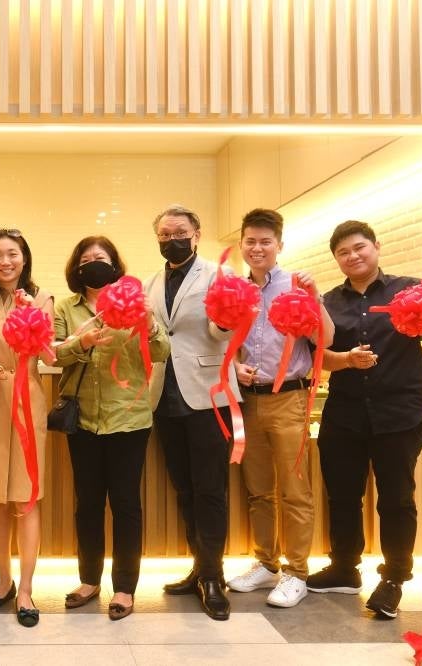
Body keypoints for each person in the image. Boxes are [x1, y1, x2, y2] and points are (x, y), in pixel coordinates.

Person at [306, 220, 422, 619]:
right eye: (343, 252)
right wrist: (347, 361)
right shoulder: (330, 301)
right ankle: (344, 567)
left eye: (359, 248)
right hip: (345, 414)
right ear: (336, 259)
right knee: (343, 495)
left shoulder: (409, 290)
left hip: (399, 413)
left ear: (376, 247)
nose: (352, 256)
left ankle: (394, 578)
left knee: (397, 499)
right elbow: (319, 355)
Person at [54, 236, 170, 622]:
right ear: (77, 267)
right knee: (87, 504)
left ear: (114, 264)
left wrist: (149, 322)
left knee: (125, 505)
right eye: (85, 259)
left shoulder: (136, 303)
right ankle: (88, 581)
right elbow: (52, 353)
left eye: (100, 258)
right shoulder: (66, 308)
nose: (93, 264)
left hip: (129, 420)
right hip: (83, 420)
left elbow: (160, 353)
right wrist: (81, 342)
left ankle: (125, 587)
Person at [227, 208, 334, 608]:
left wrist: (315, 298)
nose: (257, 248)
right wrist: (235, 366)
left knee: (294, 490)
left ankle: (297, 572)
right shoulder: (235, 290)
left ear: (279, 246)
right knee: (258, 491)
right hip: (248, 402)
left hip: (290, 397)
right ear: (241, 245)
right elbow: (225, 344)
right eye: (250, 241)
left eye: (265, 242)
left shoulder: (296, 285)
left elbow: (325, 337)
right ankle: (266, 564)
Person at [143, 204, 239, 621]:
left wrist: (223, 317)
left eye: (179, 232)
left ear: (197, 234)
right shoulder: (150, 283)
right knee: (184, 488)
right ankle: (199, 567)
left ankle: (215, 577)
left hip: (208, 395)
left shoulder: (221, 278)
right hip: (164, 397)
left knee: (210, 489)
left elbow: (227, 330)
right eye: (164, 234)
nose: (171, 239)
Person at [0, 228, 53, 628]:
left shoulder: (41, 299)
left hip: (27, 400)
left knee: (26, 498)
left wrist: (30, 315)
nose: (6, 261)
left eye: (12, 254)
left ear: (24, 258)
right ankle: (4, 581)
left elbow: (48, 353)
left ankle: (26, 590)